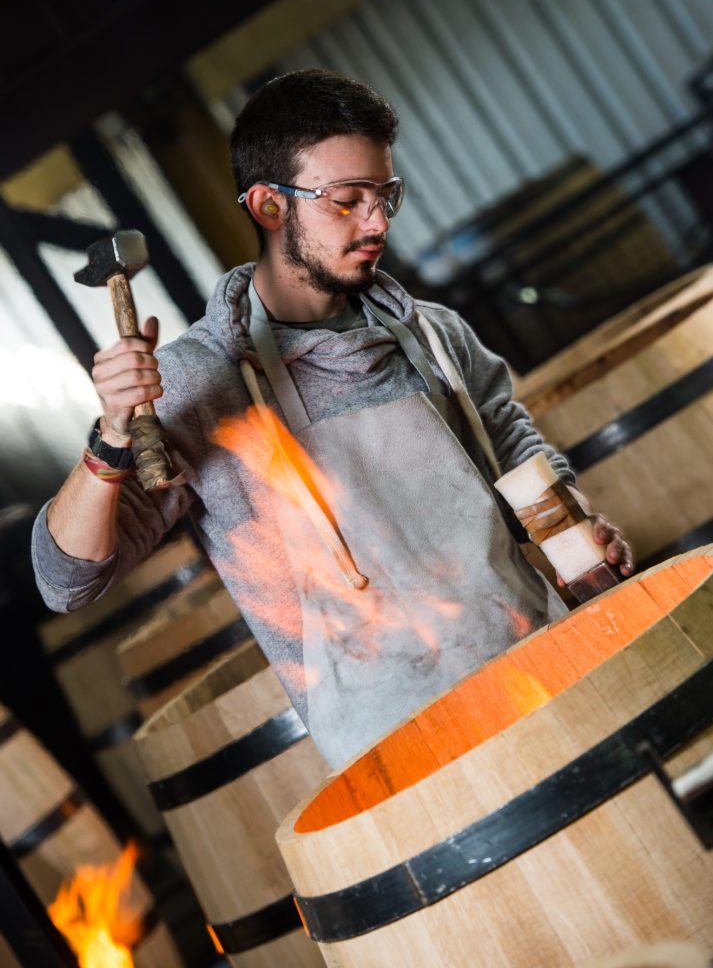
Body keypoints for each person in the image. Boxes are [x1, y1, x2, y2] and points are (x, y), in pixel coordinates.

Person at [32, 69, 633, 769]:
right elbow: (65, 581)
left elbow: (513, 444)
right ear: (267, 206)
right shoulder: (205, 380)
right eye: (346, 200)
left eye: (384, 196)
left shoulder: (433, 334)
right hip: (403, 755)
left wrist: (574, 522)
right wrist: (109, 437)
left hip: (547, 670)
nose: (376, 222)